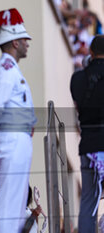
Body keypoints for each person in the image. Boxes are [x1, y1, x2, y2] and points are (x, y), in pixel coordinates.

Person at [0, 8, 37, 233]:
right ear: (14, 42)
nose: (27, 43)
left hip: (18, 138)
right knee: (10, 202)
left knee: (17, 201)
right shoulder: (5, 70)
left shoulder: (11, 69)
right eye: (24, 39)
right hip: (12, 137)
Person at [70, 35, 104, 233]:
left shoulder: (78, 78)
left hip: (89, 146)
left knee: (89, 200)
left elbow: (78, 107)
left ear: (90, 52)